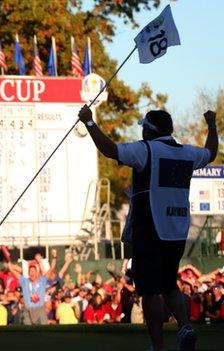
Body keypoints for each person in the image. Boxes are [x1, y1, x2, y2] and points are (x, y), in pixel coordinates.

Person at [78, 106, 218, 351]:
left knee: (151, 292)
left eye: (144, 127)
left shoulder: (146, 150)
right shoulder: (187, 153)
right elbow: (211, 152)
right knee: (169, 285)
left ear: (150, 130)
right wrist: (212, 125)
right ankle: (184, 326)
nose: (141, 131)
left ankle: (158, 345)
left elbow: (110, 150)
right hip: (177, 230)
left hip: (151, 228)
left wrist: (89, 122)